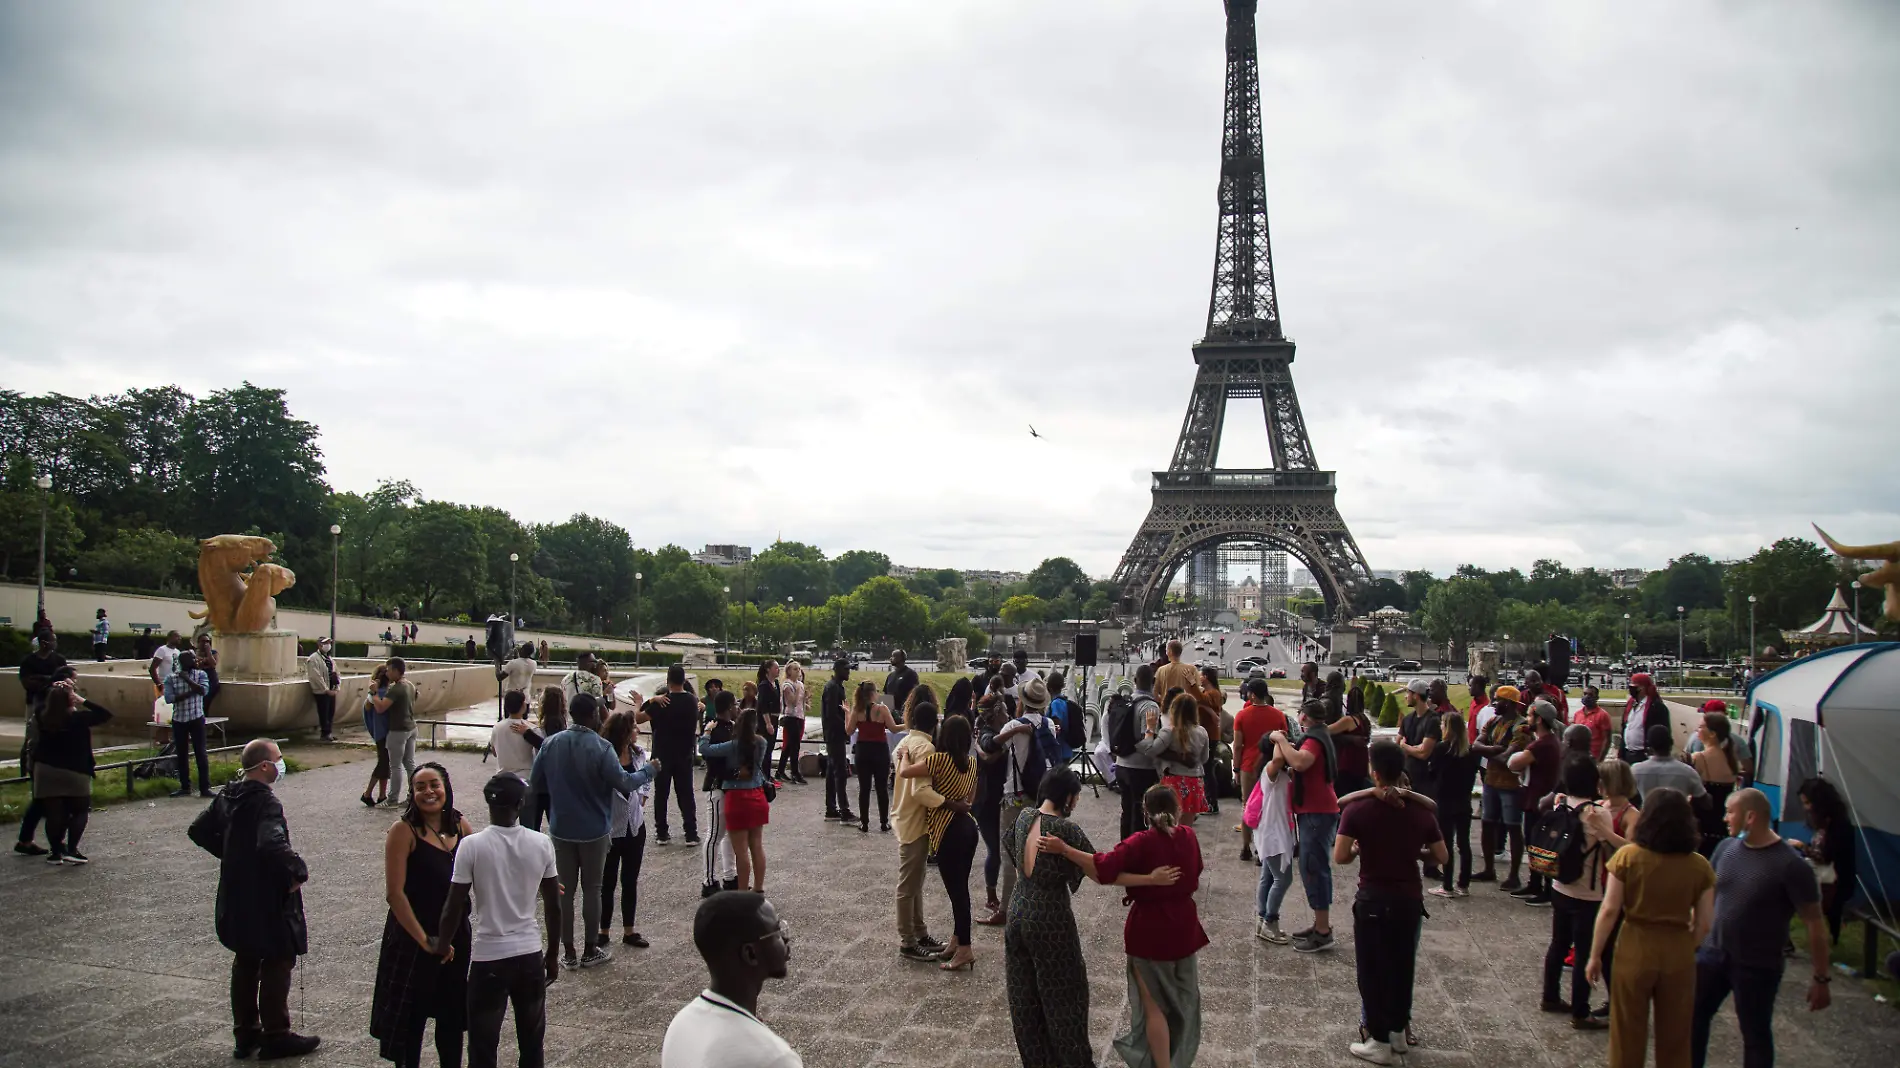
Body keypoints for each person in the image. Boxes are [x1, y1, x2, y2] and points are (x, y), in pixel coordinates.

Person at [1039, 784, 1198, 1068]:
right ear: (1179, 810)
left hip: (1149, 930)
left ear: (1145, 812)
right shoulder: (1188, 837)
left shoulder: (1141, 842)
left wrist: (1064, 849)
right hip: (1185, 928)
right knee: (1179, 1002)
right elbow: (1194, 871)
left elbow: (1103, 868)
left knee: (1154, 1007)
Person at [187, 739, 320, 1060]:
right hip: (265, 897)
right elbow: (271, 843)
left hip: (236, 894)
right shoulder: (266, 802)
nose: (281, 764)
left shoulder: (228, 795)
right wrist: (297, 869)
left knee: (245, 960)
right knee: (278, 957)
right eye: (278, 759)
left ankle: (245, 1034)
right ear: (264, 766)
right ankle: (276, 1034)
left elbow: (199, 830)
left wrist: (233, 857)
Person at [1690, 787, 1830, 1068]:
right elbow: (1708, 896)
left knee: (1755, 1035)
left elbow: (1814, 923)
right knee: (1691, 1019)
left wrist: (1821, 978)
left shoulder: (1790, 865)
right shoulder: (1725, 849)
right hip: (1713, 955)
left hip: (1756, 965)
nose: (1724, 817)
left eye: (1730, 812)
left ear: (1750, 816)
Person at [432, 774, 561, 1068]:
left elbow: (453, 905)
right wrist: (553, 953)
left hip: (489, 957)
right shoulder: (542, 843)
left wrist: (442, 944)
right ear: (520, 804)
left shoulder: (471, 846)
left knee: (483, 1047)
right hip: (528, 954)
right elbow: (554, 905)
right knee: (531, 1044)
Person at [1584, 788, 1716, 1068]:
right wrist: (1685, 944)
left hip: (1635, 946)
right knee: (1676, 1036)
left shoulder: (1629, 857)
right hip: (1678, 950)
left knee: (1627, 1034)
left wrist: (1595, 955)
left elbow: (1609, 910)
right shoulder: (1699, 866)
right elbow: (1704, 923)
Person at [1335, 740, 1447, 1066]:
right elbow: (1441, 856)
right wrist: (1417, 851)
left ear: (1373, 771)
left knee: (1372, 973)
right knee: (1401, 969)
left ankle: (1380, 1040)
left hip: (1373, 898)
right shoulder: (1419, 812)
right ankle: (1398, 1032)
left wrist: (1358, 849)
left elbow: (1340, 855)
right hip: (1408, 899)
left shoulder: (1358, 810)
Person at [528, 691, 658, 969]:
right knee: (593, 889)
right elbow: (624, 783)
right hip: (595, 830)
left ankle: (568, 952)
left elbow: (536, 784)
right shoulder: (601, 748)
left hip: (561, 827)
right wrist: (649, 771)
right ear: (592, 716)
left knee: (565, 891)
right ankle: (590, 948)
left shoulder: (550, 744)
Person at [371, 764, 474, 1068]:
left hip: (456, 935)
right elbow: (395, 894)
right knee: (410, 1022)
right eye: (420, 787)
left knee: (452, 1018)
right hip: (413, 937)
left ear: (446, 787)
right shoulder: (403, 831)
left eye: (435, 785)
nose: (429, 792)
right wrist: (427, 941)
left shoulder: (460, 825)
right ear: (412, 793)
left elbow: (487, 871)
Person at [1000, 769, 1100, 1068]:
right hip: (1050, 917)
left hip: (1019, 908)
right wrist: (1067, 852)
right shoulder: (1065, 831)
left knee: (1024, 998)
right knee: (1065, 996)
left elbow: (1014, 853)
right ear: (1067, 797)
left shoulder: (1023, 817)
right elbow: (1099, 870)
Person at [660, 892, 800, 1068]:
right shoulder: (774, 1058)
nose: (786, 938)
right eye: (777, 932)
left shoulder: (680, 1026)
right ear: (750, 954)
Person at [1537, 756, 1615, 1030]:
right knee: (1583, 951)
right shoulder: (1598, 812)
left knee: (1558, 943)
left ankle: (1550, 995)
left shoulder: (1561, 804)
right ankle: (1581, 1012)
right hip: (1587, 892)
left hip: (1560, 885)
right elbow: (1611, 850)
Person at [903, 711, 980, 970]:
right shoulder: (972, 762)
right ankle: (957, 941)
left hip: (948, 830)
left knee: (957, 893)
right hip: (969, 828)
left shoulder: (938, 760)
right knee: (962, 888)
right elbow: (970, 796)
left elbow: (905, 774)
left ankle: (965, 949)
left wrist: (903, 756)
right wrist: (962, 802)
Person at [1268, 700, 1341, 953]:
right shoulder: (1321, 735)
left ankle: (1323, 931)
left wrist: (1280, 739)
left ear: (1305, 718)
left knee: (1314, 867)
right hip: (1316, 810)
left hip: (1317, 811)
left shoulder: (1313, 740)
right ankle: (1320, 924)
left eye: (1300, 714)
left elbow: (1300, 762)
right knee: (1314, 866)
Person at [890, 702, 948, 962]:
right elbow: (920, 791)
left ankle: (920, 933)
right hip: (915, 820)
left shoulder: (904, 743)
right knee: (908, 885)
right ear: (934, 724)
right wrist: (948, 803)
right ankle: (908, 941)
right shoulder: (926, 747)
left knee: (914, 883)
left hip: (904, 816)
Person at [31, 678, 111, 864]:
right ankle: (72, 849)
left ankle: (55, 852)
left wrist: (53, 689)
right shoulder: (79, 719)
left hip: (46, 770)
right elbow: (105, 714)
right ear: (71, 700)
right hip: (76, 770)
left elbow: (40, 700)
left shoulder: (42, 716)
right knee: (80, 810)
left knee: (53, 812)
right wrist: (80, 699)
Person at [698, 704, 772, 893]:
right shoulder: (761, 742)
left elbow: (705, 749)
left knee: (740, 852)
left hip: (737, 797)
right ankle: (759, 888)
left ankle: (741, 892)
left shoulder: (732, 746)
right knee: (757, 846)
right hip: (757, 795)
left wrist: (707, 731)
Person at [14, 628, 70, 856]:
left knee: (43, 801)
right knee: (50, 801)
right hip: (38, 707)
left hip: (47, 760)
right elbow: (29, 683)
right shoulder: (29, 661)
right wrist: (49, 681)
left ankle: (30, 840)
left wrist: (45, 681)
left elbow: (57, 679)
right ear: (45, 642)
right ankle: (54, 845)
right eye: (53, 640)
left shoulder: (59, 660)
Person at [600, 710, 653, 948]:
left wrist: (643, 796)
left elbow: (645, 778)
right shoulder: (604, 756)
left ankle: (629, 930)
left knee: (630, 880)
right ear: (624, 732)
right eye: (634, 728)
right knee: (607, 882)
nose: (638, 731)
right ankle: (603, 930)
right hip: (610, 829)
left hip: (635, 826)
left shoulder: (638, 753)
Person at [1508, 700, 1567, 906]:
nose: (1528, 719)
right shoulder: (1547, 741)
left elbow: (1514, 763)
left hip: (1539, 799)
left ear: (1539, 719)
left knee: (1541, 845)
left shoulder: (1543, 744)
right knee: (1534, 843)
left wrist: (1515, 755)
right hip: (1536, 796)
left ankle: (1545, 888)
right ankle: (1535, 883)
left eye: (1531, 715)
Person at [1785, 778, 1854, 946]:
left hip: (1833, 881)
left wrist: (1801, 846)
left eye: (1808, 803)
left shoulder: (1838, 826)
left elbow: (1826, 856)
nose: (1806, 808)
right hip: (1825, 875)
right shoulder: (1828, 822)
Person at [638, 665, 701, 845]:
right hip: (684, 753)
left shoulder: (661, 702)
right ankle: (690, 832)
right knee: (686, 794)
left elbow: (638, 718)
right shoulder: (692, 701)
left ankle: (662, 832)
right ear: (683, 680)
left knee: (661, 794)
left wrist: (650, 700)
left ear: (668, 680)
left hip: (661, 754)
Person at [1472, 686, 1528, 887]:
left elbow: (1507, 758)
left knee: (1513, 827)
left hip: (1510, 783)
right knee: (1487, 824)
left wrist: (1487, 750)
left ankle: (1514, 875)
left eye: (1499, 701)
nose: (1494, 704)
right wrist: (1496, 749)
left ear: (1511, 704)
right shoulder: (1494, 721)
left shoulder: (1522, 727)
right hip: (1491, 780)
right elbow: (1475, 746)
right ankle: (1489, 869)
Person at [1426, 709, 1481, 899]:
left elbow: (1432, 772)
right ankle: (1463, 883)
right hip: (1463, 800)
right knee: (1464, 844)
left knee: (1447, 843)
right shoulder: (1470, 751)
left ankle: (1447, 885)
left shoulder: (1442, 748)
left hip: (1445, 800)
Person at [1247, 731, 1296, 943]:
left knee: (1268, 877)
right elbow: (1277, 758)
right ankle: (1270, 921)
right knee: (1283, 879)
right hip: (1273, 833)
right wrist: (1278, 738)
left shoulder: (1280, 773)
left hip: (1274, 830)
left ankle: (1262, 920)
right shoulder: (1271, 770)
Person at [1232, 679, 1287, 862]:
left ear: (1253, 695)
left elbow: (1238, 745)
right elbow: (1284, 740)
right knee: (1267, 807)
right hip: (1271, 764)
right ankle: (1261, 849)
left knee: (1248, 806)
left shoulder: (1242, 715)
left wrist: (1236, 768)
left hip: (1249, 766)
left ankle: (1245, 846)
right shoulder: (1279, 715)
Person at [973, 680, 1012, 926]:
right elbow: (988, 748)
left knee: (1001, 850)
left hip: (996, 797)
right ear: (996, 713)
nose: (1009, 714)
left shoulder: (987, 732)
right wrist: (1014, 732)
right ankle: (990, 896)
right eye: (1005, 711)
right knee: (995, 850)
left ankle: (996, 894)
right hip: (986, 801)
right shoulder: (987, 734)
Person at [696, 691, 742, 895]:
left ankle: (729, 875)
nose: (737, 707)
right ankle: (708, 880)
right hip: (719, 787)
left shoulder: (724, 728)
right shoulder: (717, 729)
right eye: (734, 704)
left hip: (728, 787)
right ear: (728, 707)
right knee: (715, 835)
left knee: (727, 835)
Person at [1113, 665, 1166, 842]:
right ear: (1153, 682)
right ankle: (1136, 850)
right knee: (1141, 813)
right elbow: (1148, 744)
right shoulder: (1150, 707)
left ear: (1134, 682)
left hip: (1121, 764)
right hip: (1141, 768)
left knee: (1126, 810)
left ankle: (1123, 847)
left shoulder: (1125, 702)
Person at [1141, 694, 1209, 825]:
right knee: (1186, 828)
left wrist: (1149, 729)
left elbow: (1149, 750)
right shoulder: (1202, 732)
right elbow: (1204, 759)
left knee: (1169, 825)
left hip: (1174, 781)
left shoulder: (1169, 731)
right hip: (1194, 782)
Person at [846, 681, 897, 833]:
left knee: (864, 788)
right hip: (880, 750)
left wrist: (847, 714)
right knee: (881, 788)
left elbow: (849, 731)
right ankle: (883, 822)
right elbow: (893, 728)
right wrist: (908, 724)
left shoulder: (857, 710)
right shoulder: (882, 709)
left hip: (863, 750)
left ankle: (864, 823)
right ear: (873, 693)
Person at [163, 648, 214, 799]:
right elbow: (169, 699)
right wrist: (193, 691)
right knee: (181, 754)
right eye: (191, 658)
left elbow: (204, 691)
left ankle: (205, 788)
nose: (195, 660)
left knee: (201, 753)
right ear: (183, 662)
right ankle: (185, 786)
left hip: (196, 718)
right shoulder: (171, 678)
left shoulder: (201, 674)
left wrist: (187, 680)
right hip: (179, 719)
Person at [1690, 713, 1742, 854]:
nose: (1697, 730)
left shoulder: (1699, 758)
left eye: (1701, 727)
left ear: (1712, 734)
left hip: (1702, 826)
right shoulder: (1731, 760)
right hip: (1722, 826)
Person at [374, 658, 420, 807]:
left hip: (398, 730)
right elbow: (416, 697)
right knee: (410, 763)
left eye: (388, 670)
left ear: (395, 670)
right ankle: (413, 796)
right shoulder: (410, 685)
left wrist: (373, 693)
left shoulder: (397, 688)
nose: (387, 673)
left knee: (395, 766)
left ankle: (392, 799)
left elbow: (381, 707)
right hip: (411, 727)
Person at [1633, 724, 1707, 813]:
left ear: (1649, 748)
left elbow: (1628, 797)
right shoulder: (1687, 771)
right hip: (1679, 823)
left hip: (1649, 822)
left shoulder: (1636, 770)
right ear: (1671, 743)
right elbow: (1705, 802)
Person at [820, 659, 859, 825]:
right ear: (836, 670)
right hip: (835, 734)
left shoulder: (836, 686)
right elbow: (831, 714)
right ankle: (844, 811)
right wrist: (846, 727)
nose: (848, 672)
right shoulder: (833, 688)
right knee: (840, 772)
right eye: (845, 669)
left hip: (833, 734)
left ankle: (831, 809)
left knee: (832, 772)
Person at [1396, 678, 1441, 801]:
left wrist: (1404, 746)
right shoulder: (1407, 719)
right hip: (1407, 779)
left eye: (1408, 693)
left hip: (1426, 781)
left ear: (1415, 695)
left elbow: (1423, 753)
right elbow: (1397, 747)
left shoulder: (1433, 720)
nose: (1406, 697)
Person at [1330, 673, 1373, 796]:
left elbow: (1327, 730)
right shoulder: (1364, 720)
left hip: (1347, 765)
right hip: (1360, 764)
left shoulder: (1348, 720)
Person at [361, 664, 394, 808]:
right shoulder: (379, 694)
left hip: (381, 732)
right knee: (383, 763)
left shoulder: (381, 692)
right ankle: (367, 793)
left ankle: (381, 795)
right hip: (383, 732)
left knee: (385, 763)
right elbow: (368, 707)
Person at [1195, 665, 1226, 815]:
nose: (1199, 678)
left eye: (1200, 675)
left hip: (1210, 735)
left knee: (1207, 769)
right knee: (1205, 769)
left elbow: (1201, 700)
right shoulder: (1210, 692)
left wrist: (1191, 684)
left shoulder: (1212, 693)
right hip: (1207, 734)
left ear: (1206, 677)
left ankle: (1211, 803)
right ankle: (1208, 801)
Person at [489, 691, 540, 782]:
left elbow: (494, 752)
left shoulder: (497, 727)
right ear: (523, 706)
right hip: (525, 777)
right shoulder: (531, 728)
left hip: (502, 777)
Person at [774, 661, 809, 784]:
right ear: (789, 671)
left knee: (789, 746)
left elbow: (801, 702)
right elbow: (792, 702)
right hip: (791, 717)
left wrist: (805, 701)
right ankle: (795, 772)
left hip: (799, 717)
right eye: (795, 669)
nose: (798, 671)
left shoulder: (799, 684)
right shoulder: (787, 685)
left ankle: (780, 770)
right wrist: (799, 690)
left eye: (799, 669)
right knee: (794, 746)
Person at [1620, 673, 1669, 759]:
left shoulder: (1656, 707)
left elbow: (1662, 731)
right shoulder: (1631, 704)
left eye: (1633, 685)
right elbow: (1625, 726)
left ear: (1642, 688)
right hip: (1628, 753)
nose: (1630, 687)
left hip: (1644, 755)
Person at [755, 659, 782, 784]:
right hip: (767, 719)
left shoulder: (776, 683)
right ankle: (763, 776)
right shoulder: (764, 685)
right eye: (775, 668)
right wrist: (768, 723)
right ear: (768, 670)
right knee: (765, 749)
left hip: (775, 718)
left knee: (770, 748)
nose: (778, 670)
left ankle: (767, 774)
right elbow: (762, 706)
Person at [1153, 640, 1199, 713]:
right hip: (1185, 710)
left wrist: (1163, 700)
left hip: (1167, 710)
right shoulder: (1192, 669)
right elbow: (1198, 692)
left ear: (1170, 652)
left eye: (1167, 650)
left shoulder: (1161, 670)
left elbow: (1155, 694)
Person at [1574, 686, 1613, 760]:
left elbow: (1607, 739)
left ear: (1597, 697)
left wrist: (1600, 759)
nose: (1586, 697)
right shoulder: (1577, 714)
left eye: (1590, 695)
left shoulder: (1603, 715)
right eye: (1585, 694)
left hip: (1594, 757)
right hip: (1578, 756)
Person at [499, 643, 539, 713]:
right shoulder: (534, 664)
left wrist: (497, 664)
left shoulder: (512, 663)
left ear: (522, 650)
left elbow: (500, 677)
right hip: (525, 697)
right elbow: (522, 664)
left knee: (509, 721)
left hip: (511, 697)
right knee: (523, 721)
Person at [884, 649, 919, 720]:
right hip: (890, 714)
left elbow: (914, 694)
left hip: (904, 714)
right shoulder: (890, 675)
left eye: (893, 656)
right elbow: (886, 694)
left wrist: (904, 712)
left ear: (900, 658)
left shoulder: (911, 674)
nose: (891, 658)